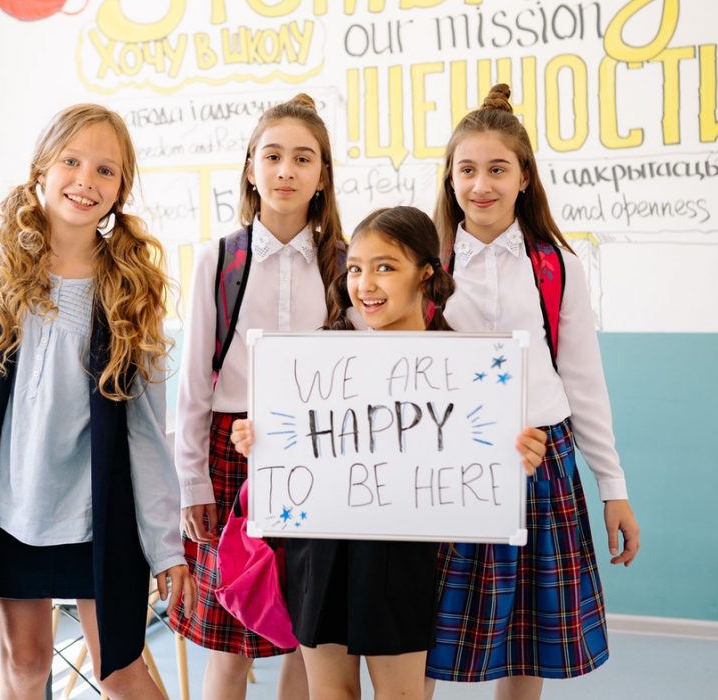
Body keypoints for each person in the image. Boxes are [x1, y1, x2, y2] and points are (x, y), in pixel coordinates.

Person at [0, 104, 193, 700]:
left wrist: (165, 546)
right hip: (13, 513)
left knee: (123, 670)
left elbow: (146, 431)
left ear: (121, 188)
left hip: (103, 517)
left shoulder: (132, 286)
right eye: (71, 161)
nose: (85, 180)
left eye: (106, 169)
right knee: (24, 669)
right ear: (41, 170)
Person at [231, 206, 548, 700]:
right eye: (355, 268)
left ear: (425, 273)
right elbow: (285, 438)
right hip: (322, 544)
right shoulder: (320, 354)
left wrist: (519, 455)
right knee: (330, 692)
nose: (366, 283)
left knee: (402, 695)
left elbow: (485, 457)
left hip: (406, 549)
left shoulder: (463, 366)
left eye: (385, 266)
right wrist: (256, 438)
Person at [425, 84, 641, 700]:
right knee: (424, 628)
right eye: (466, 170)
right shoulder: (424, 262)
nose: (481, 185)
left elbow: (584, 379)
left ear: (525, 178)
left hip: (540, 460)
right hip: (445, 467)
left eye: (498, 169)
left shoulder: (556, 264)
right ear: (449, 178)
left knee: (528, 636)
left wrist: (613, 487)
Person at [169, 93, 347, 700]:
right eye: (272, 156)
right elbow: (194, 382)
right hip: (229, 451)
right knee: (229, 632)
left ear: (322, 176)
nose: (286, 171)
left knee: (307, 628)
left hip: (319, 453)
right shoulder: (218, 259)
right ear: (251, 167)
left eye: (303, 159)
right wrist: (192, 482)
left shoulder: (344, 265)